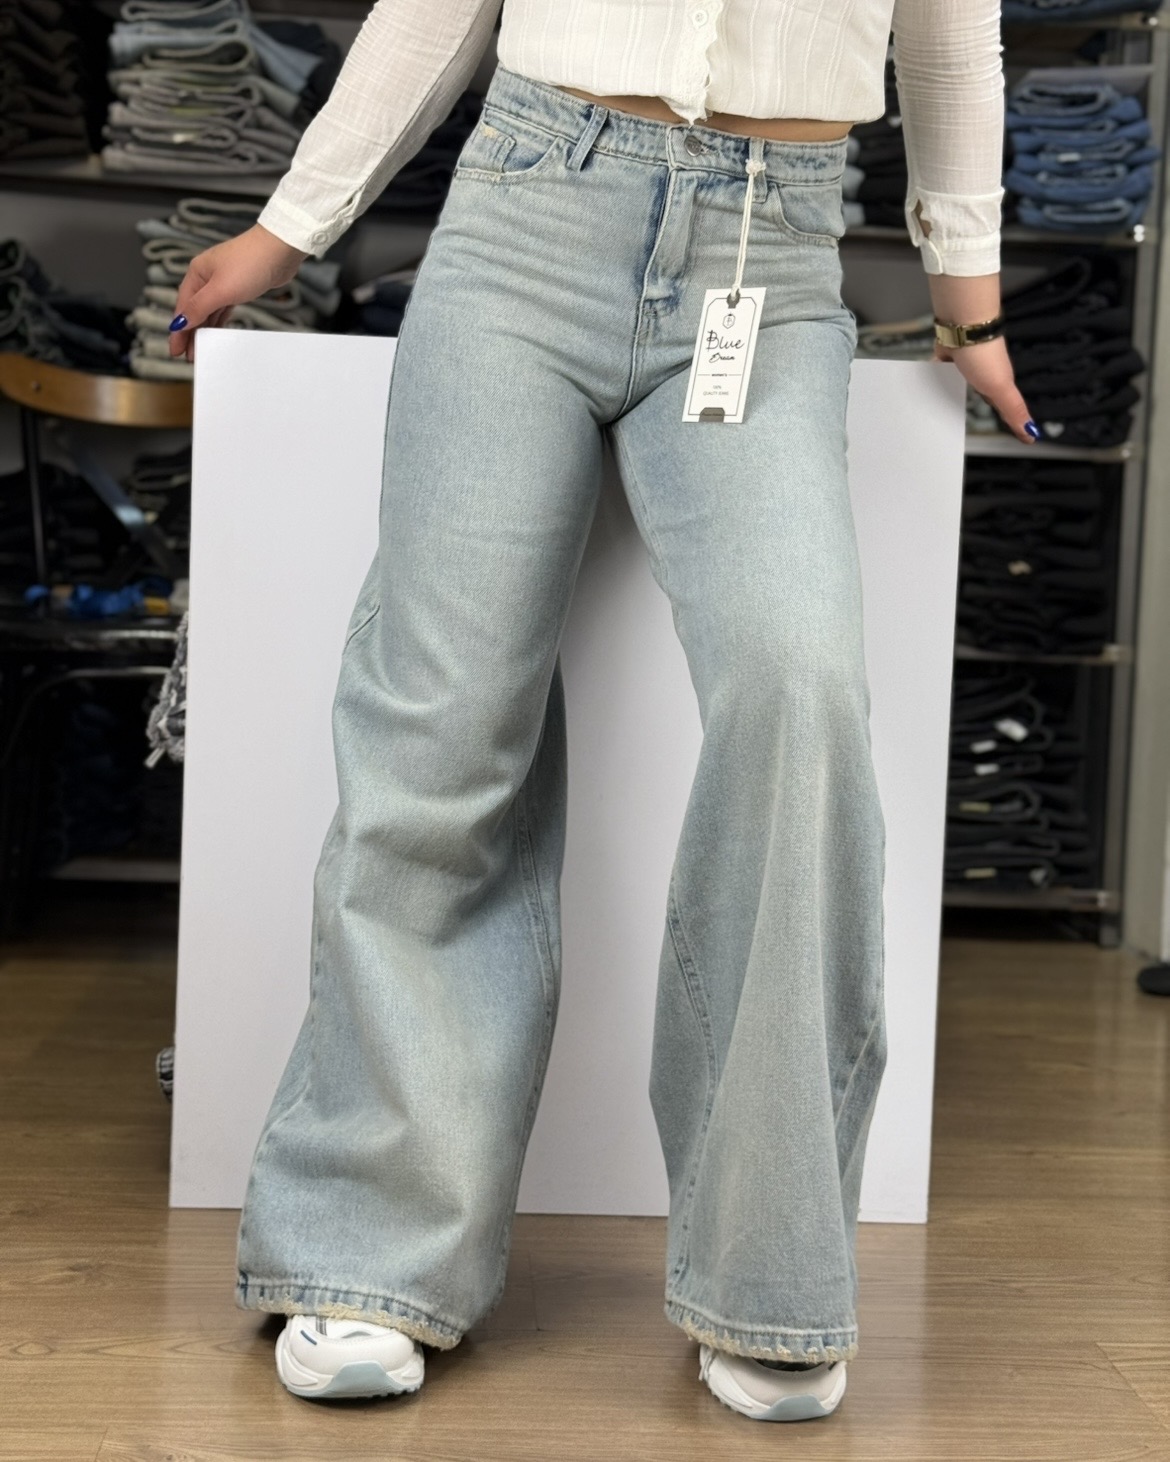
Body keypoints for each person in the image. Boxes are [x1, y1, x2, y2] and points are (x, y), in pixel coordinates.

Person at [169, 0, 1032, 1424]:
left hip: (772, 253)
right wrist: (294, 224)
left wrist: (969, 297)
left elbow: (945, 38)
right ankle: (371, 1249)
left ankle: (769, 1271)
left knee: (800, 690)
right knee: (442, 715)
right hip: (523, 222)